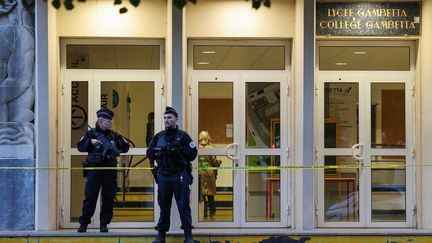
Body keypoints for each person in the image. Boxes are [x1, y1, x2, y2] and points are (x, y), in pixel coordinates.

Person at [147, 106, 197, 243]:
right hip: (163, 175)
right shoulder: (158, 136)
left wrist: (179, 150)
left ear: (176, 119)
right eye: (165, 118)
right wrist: (160, 151)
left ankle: (188, 236)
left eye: (169, 117)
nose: (166, 120)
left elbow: (193, 154)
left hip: (179, 175)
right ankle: (161, 236)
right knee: (164, 205)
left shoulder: (183, 136)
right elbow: (149, 153)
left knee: (183, 205)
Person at [77, 108, 130, 233]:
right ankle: (84, 223)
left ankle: (104, 223)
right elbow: (80, 147)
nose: (110, 123)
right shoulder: (91, 134)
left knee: (108, 197)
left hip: (109, 170)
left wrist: (117, 145)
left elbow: (125, 147)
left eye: (110, 121)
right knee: (90, 197)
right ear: (100, 121)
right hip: (94, 169)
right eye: (108, 121)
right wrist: (91, 142)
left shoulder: (114, 135)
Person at [198, 131, 222, 220]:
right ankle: (212, 213)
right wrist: (219, 162)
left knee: (202, 195)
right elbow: (215, 162)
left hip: (200, 173)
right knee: (210, 195)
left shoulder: (197, 148)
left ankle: (203, 213)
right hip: (209, 173)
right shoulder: (211, 148)